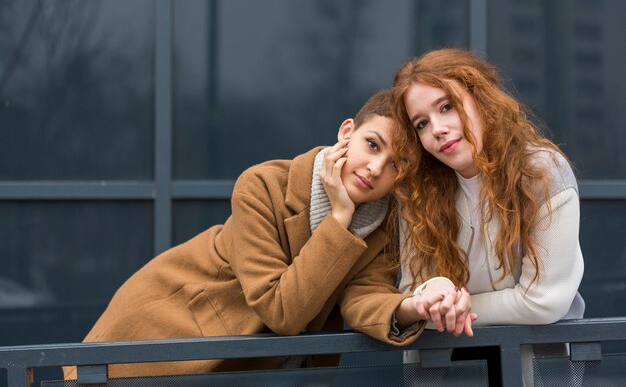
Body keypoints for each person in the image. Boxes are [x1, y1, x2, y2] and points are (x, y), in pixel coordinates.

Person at [64, 89, 473, 380]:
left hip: (245, 368)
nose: (374, 168)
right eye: (372, 144)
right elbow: (283, 311)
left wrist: (415, 306)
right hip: (163, 336)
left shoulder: (383, 225)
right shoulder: (262, 186)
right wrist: (340, 218)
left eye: (396, 164)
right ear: (347, 132)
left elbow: (362, 298)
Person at [389, 48, 585, 386]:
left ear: (481, 100)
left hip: (536, 365)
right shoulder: (419, 191)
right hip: (446, 366)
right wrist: (428, 300)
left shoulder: (542, 173)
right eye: (421, 123)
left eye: (446, 106)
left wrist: (451, 311)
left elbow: (544, 302)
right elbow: (410, 290)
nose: (437, 129)